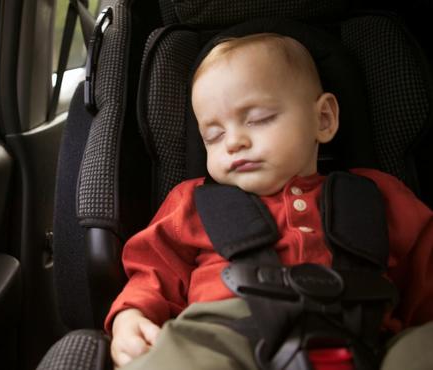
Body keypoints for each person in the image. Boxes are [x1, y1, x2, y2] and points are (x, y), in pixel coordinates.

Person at [105, 33, 433, 369]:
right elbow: (153, 271)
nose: (233, 142)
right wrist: (132, 314)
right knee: (176, 354)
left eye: (258, 119)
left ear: (323, 119)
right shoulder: (191, 202)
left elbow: (425, 279)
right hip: (225, 334)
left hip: (369, 339)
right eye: (214, 136)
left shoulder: (377, 194)